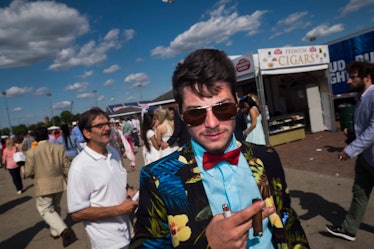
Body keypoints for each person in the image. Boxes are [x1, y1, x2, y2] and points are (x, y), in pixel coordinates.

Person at [130, 49, 309, 249]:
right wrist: (209, 244)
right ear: (181, 114)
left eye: (223, 108)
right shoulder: (158, 179)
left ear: (237, 102)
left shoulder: (266, 157)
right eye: (196, 114)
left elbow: (289, 222)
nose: (212, 123)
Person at [67, 107, 138, 249]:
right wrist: (118, 210)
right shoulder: (80, 167)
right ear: (87, 133)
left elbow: (118, 184)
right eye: (100, 126)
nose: (107, 128)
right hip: (107, 243)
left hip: (126, 233)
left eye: (108, 124)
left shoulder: (113, 152)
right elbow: (76, 213)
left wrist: (130, 192)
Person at [326, 61, 374, 241]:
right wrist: (352, 132)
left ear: (367, 78)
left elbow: (373, 128)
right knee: (359, 193)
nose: (348, 81)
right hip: (365, 157)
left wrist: (350, 149)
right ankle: (349, 229)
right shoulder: (361, 98)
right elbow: (364, 125)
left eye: (353, 77)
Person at [24, 126, 74, 247]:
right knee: (55, 207)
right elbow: (66, 166)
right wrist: (71, 179)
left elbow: (29, 172)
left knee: (45, 209)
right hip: (59, 183)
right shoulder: (58, 148)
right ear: (48, 135)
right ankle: (55, 231)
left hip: (43, 185)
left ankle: (62, 229)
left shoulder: (31, 152)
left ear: (35, 138)